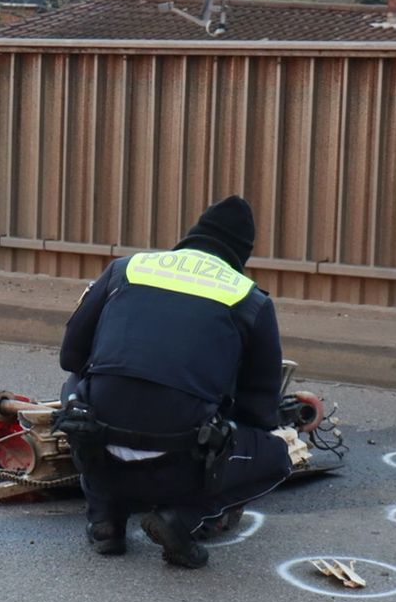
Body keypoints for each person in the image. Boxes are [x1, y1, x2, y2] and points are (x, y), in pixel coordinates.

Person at [55, 195, 291, 568]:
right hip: (179, 464)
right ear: (241, 256)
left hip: (100, 450)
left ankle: (105, 519)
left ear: (190, 238)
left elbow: (71, 356)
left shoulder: (125, 269)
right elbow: (261, 414)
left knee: (76, 386)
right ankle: (182, 518)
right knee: (278, 456)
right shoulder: (250, 300)